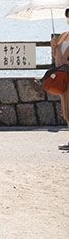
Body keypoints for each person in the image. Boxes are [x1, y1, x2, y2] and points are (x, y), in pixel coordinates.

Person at [48, 8, 69, 151]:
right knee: (66, 108)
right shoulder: (63, 35)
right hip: (63, 77)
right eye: (68, 16)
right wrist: (54, 46)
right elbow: (56, 57)